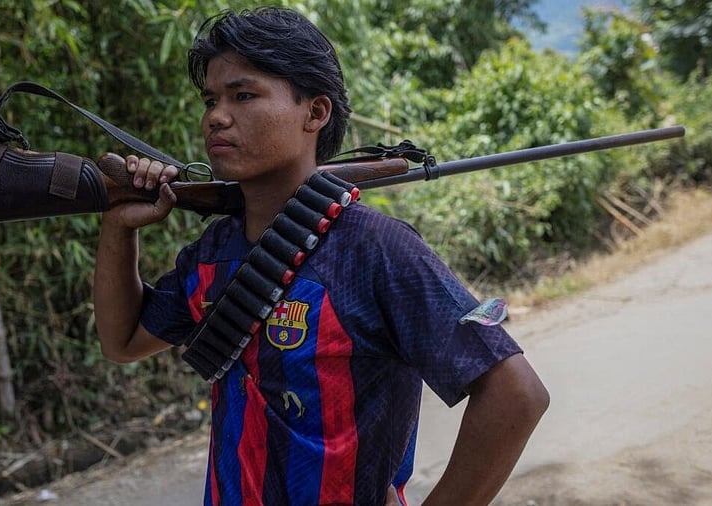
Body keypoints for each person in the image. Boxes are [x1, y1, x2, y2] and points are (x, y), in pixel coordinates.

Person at [94, 6, 549, 505]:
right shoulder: (213, 252)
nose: (216, 117)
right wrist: (119, 227)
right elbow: (123, 342)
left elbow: (515, 395)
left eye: (243, 95)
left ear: (315, 112)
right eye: (210, 100)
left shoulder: (377, 250)